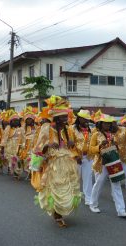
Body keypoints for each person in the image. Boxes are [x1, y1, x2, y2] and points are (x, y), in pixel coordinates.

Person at [33, 95, 81, 228]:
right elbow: (37, 148)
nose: (66, 119)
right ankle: (57, 214)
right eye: (63, 117)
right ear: (56, 117)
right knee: (56, 188)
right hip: (53, 165)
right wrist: (48, 145)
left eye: (66, 117)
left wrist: (72, 145)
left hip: (68, 163)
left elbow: (72, 147)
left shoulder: (68, 129)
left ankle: (61, 211)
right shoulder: (46, 128)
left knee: (68, 187)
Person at [89, 114, 126, 218]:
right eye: (105, 123)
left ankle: (121, 210)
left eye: (109, 123)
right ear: (101, 124)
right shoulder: (96, 134)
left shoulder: (113, 134)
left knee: (116, 184)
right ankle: (93, 204)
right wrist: (100, 146)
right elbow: (91, 149)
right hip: (101, 163)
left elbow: (118, 148)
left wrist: (115, 145)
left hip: (113, 162)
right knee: (99, 183)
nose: (107, 125)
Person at [70, 109, 94, 206]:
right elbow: (70, 145)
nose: (86, 121)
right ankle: (71, 197)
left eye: (88, 120)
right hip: (75, 158)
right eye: (84, 119)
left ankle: (88, 198)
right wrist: (76, 156)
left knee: (88, 178)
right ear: (79, 119)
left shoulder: (91, 130)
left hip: (88, 157)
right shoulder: (72, 129)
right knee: (75, 178)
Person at [111, 119, 126, 198]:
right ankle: (115, 195)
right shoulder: (108, 134)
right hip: (114, 159)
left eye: (113, 123)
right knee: (115, 179)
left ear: (116, 123)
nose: (112, 125)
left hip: (125, 157)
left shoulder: (124, 130)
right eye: (110, 124)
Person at [0, 110, 25, 179]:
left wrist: (24, 145)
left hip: (19, 146)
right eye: (13, 120)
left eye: (17, 120)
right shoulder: (8, 128)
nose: (15, 122)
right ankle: (15, 172)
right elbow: (4, 138)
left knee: (19, 159)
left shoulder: (21, 129)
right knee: (12, 159)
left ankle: (18, 172)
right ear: (10, 122)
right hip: (10, 147)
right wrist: (2, 148)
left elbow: (24, 138)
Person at [19, 107, 37, 179]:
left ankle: (32, 173)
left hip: (35, 145)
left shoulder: (37, 127)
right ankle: (28, 172)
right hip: (26, 146)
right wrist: (20, 147)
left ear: (33, 119)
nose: (29, 120)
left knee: (34, 159)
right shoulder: (22, 128)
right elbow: (21, 139)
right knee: (27, 160)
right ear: (25, 120)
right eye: (27, 119)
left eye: (30, 119)